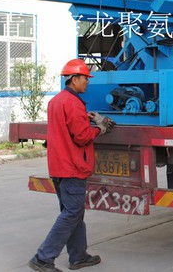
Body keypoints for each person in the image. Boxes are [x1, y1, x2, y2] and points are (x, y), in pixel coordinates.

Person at [29, 59, 115, 272]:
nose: (88, 82)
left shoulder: (56, 101)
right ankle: (43, 258)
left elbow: (65, 126)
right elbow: (82, 136)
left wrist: (85, 118)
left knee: (73, 212)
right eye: (85, 78)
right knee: (72, 213)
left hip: (59, 166)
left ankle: (78, 256)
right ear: (74, 79)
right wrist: (100, 128)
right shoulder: (74, 104)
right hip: (73, 167)